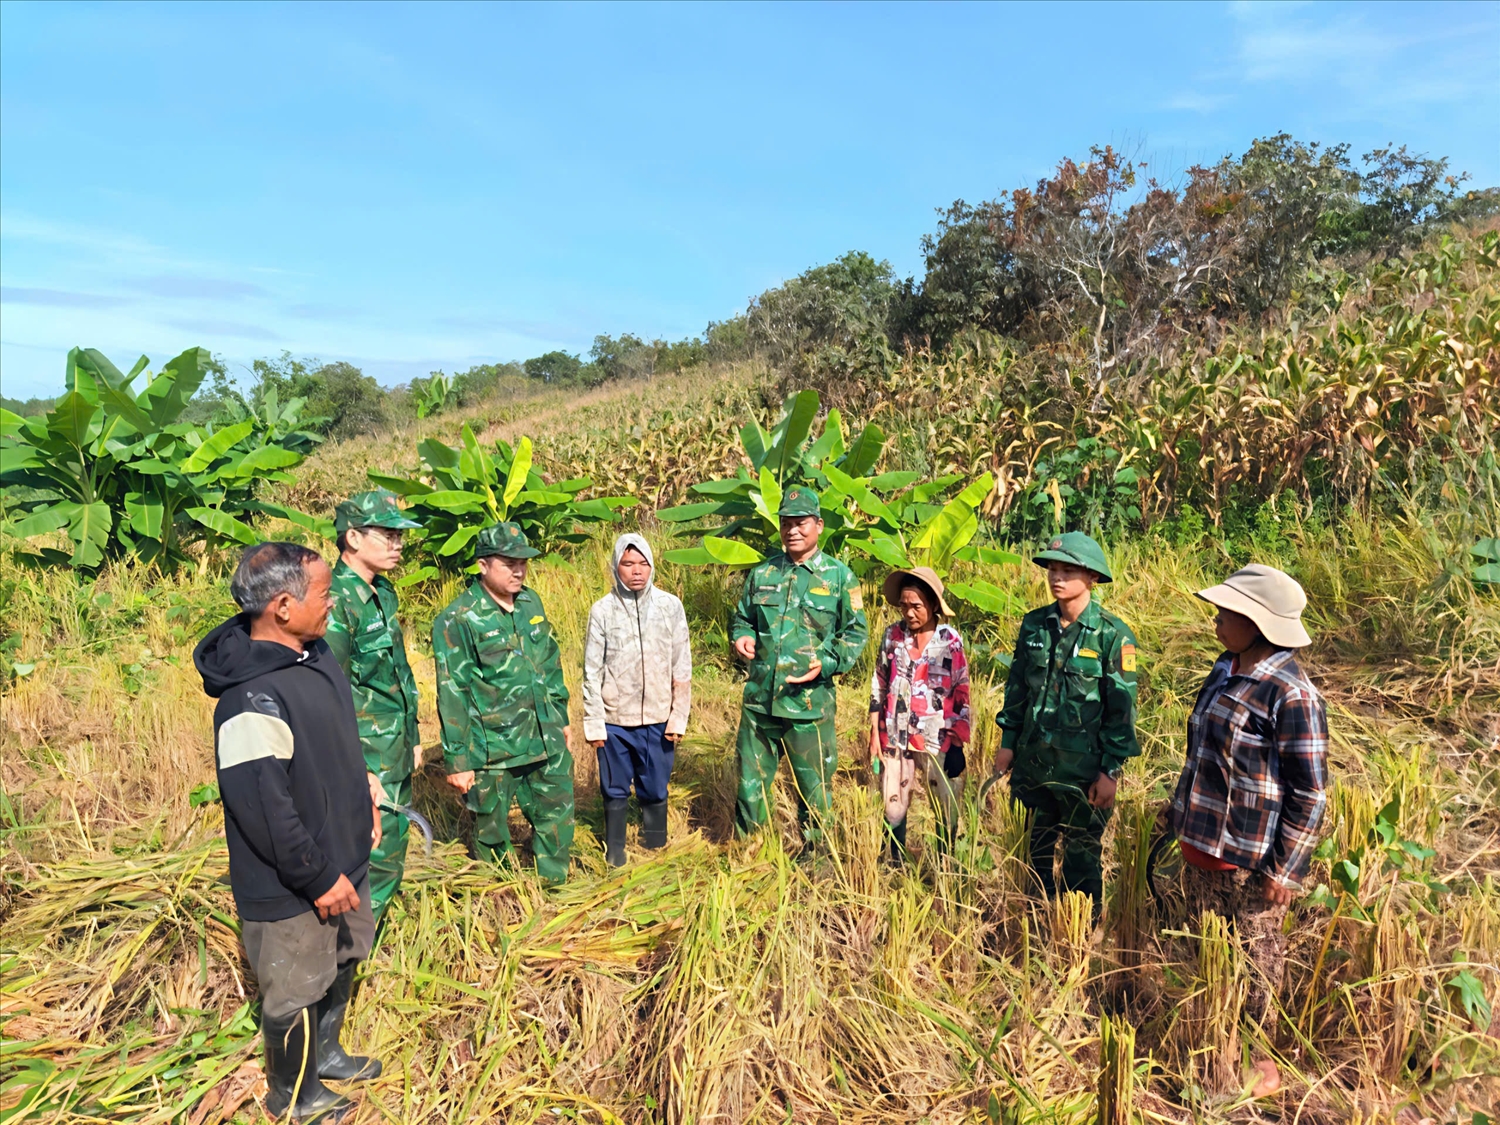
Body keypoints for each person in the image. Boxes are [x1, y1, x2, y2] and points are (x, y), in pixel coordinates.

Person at [194, 542, 385, 1123]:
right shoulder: (248, 699)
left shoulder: (314, 653)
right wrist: (318, 876)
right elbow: (263, 809)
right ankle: (293, 1096)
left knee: (345, 958)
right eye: (324, 594)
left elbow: (335, 745)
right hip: (294, 880)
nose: (332, 603)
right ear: (282, 605)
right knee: (295, 987)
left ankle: (325, 1053)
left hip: (341, 856)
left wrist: (366, 797)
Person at [1169, 563, 1328, 1095]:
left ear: (1259, 623)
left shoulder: (1291, 694)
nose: (1216, 620)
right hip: (1202, 842)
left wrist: (1286, 868)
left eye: (1227, 613)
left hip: (1250, 857)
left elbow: (1310, 791)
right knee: (1206, 952)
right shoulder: (1225, 668)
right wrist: (1176, 811)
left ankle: (1260, 1061)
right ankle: (1215, 1047)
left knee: (1257, 962)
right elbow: (1200, 755)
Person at [991, 531, 1139, 907]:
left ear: (1092, 577)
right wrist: (1007, 744)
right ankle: (1035, 925)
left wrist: (1111, 772)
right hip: (1034, 765)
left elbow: (1121, 713)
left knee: (1080, 861)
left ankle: (1079, 938)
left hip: (1083, 774)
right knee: (1033, 855)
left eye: (1067, 570)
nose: (1056, 577)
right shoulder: (1034, 626)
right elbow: (1017, 690)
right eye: (1052, 569)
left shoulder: (1113, 636)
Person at [432, 522, 575, 886]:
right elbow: (453, 691)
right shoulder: (457, 619)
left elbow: (549, 661)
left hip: (545, 735)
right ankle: (504, 897)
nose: (518, 570)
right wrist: (458, 760)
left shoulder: (531, 602)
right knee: (492, 832)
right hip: (494, 748)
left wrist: (562, 717)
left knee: (556, 818)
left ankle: (553, 892)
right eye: (508, 563)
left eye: (523, 562)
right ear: (482, 565)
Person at [729, 485, 868, 848]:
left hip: (809, 705)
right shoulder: (762, 575)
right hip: (761, 701)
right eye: (786, 523)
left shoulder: (840, 578)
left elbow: (855, 634)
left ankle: (818, 858)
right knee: (749, 784)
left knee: (815, 789)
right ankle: (749, 853)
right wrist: (742, 636)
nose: (792, 530)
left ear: (819, 525)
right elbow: (743, 618)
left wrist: (825, 662)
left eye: (801, 522)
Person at [325, 489, 423, 926]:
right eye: (387, 535)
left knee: (390, 855)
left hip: (393, 748)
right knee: (371, 858)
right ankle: (350, 960)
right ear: (353, 538)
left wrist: (413, 737)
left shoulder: (381, 592)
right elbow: (329, 693)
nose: (397, 544)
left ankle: (368, 946)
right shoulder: (335, 602)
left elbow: (396, 675)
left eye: (399, 536)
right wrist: (354, 767)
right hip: (364, 757)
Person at [581, 533, 692, 866]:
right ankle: (615, 853)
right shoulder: (602, 611)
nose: (636, 571)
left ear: (652, 566)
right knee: (614, 789)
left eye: (643, 563)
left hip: (659, 719)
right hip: (615, 722)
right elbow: (591, 671)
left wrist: (678, 716)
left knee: (655, 787)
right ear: (616, 567)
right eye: (628, 564)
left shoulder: (670, 607)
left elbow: (682, 664)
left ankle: (654, 845)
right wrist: (594, 722)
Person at [869, 566, 971, 863]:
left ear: (932, 605)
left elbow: (961, 689)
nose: (909, 612)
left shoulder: (949, 640)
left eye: (916, 606)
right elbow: (879, 681)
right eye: (904, 605)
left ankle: (945, 861)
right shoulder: (893, 636)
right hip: (895, 732)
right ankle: (893, 860)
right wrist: (875, 732)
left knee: (945, 802)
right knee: (893, 802)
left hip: (936, 736)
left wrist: (958, 743)